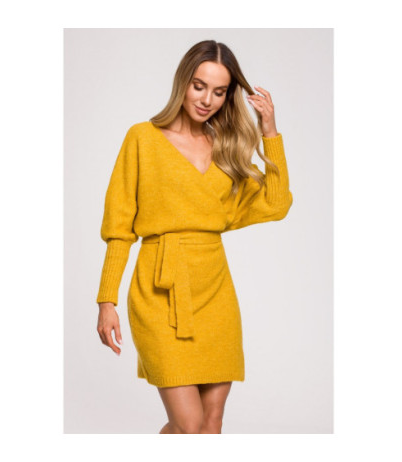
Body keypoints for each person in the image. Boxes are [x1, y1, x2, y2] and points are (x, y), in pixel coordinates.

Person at [95, 39, 293, 434]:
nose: (207, 100)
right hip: (159, 291)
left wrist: (269, 131)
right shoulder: (142, 138)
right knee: (188, 425)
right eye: (199, 86)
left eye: (219, 91)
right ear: (183, 82)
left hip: (214, 292)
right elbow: (119, 227)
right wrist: (106, 300)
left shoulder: (226, 148)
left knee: (211, 424)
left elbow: (276, 203)